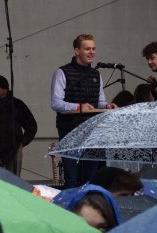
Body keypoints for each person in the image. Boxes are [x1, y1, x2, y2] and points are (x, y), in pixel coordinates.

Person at [51, 34, 118, 189]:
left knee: (91, 179)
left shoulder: (96, 74)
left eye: (93, 49)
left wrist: (107, 106)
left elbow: (99, 102)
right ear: (77, 51)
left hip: (92, 131)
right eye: (87, 48)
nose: (92, 52)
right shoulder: (62, 73)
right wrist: (77, 107)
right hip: (70, 130)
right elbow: (56, 103)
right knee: (72, 179)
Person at [0, 75, 37, 176]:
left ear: (5, 90)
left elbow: (31, 125)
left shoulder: (17, 104)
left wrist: (22, 143)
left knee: (13, 182)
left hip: (13, 149)